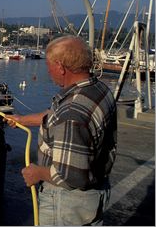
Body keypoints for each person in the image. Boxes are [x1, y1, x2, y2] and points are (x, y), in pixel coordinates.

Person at [6, 35, 117, 225]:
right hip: (93, 194)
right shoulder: (98, 90)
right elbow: (55, 116)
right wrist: (21, 119)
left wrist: (38, 173)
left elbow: (72, 175)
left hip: (67, 203)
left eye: (49, 66)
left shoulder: (72, 113)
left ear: (60, 67)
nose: (48, 72)